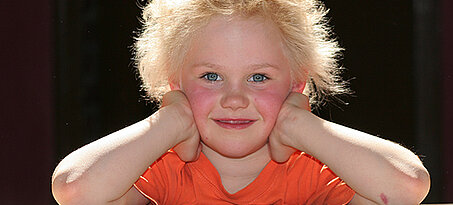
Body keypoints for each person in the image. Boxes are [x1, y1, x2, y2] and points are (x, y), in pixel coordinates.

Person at [51, 0, 430, 204]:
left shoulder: (311, 169)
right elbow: (74, 191)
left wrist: (302, 126)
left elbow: (407, 187)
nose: (234, 99)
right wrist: (169, 123)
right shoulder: (166, 169)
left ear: (296, 86)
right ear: (175, 85)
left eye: (259, 77)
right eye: (210, 77)